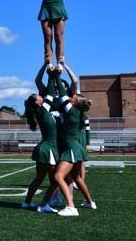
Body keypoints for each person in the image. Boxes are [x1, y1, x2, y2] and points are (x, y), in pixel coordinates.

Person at [53, 71, 97, 216]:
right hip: (77, 148)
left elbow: (61, 89)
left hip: (71, 148)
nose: (71, 97)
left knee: (58, 176)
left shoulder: (71, 111)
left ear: (75, 102)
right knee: (77, 178)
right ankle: (90, 202)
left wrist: (56, 75)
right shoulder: (79, 112)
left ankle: (71, 207)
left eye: (74, 97)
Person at [21, 63, 59, 213]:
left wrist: (46, 68)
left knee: (39, 179)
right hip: (48, 149)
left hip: (44, 148)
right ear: (37, 102)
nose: (40, 96)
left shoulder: (40, 112)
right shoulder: (43, 111)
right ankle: (44, 204)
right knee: (56, 180)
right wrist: (51, 75)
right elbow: (49, 92)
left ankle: (27, 202)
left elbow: (47, 93)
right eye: (38, 96)